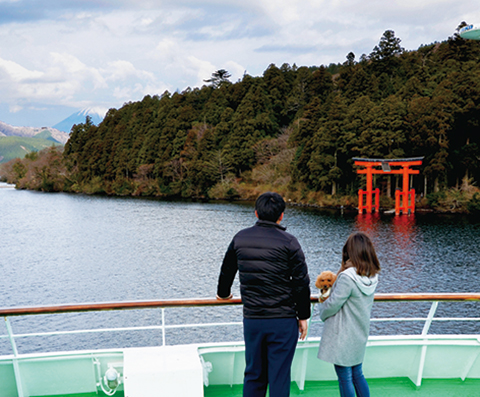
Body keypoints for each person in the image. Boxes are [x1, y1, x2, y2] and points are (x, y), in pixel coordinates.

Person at [217, 192, 311, 397]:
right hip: (283, 321)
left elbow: (226, 271)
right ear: (282, 216)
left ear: (256, 213)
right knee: (279, 376)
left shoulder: (240, 238)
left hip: (254, 320)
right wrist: (303, 315)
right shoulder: (289, 242)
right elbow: (301, 283)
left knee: (254, 374)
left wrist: (223, 294)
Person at [317, 232, 380, 397]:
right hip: (359, 330)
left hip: (343, 333)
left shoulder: (347, 277)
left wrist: (321, 308)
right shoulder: (372, 275)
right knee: (357, 373)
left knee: (345, 377)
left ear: (349, 251)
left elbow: (333, 304)